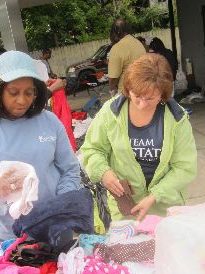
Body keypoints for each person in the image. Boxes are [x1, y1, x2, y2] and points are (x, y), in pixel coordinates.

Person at [0, 50, 81, 242]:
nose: (22, 100)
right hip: (13, 237)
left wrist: (61, 204)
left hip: (56, 229)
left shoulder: (50, 122)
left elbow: (70, 170)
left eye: (29, 92)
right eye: (14, 92)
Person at [81, 53, 197, 221]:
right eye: (136, 96)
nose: (142, 105)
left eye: (150, 98)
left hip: (165, 207)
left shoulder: (177, 119)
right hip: (125, 208)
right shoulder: (110, 112)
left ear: (163, 94)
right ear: (128, 90)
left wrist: (154, 196)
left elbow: (184, 167)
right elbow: (92, 149)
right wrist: (103, 172)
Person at [108, 19, 146, 96]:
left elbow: (113, 78)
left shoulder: (117, 47)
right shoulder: (138, 43)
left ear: (117, 32)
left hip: (126, 93)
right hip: (142, 88)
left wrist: (112, 92)